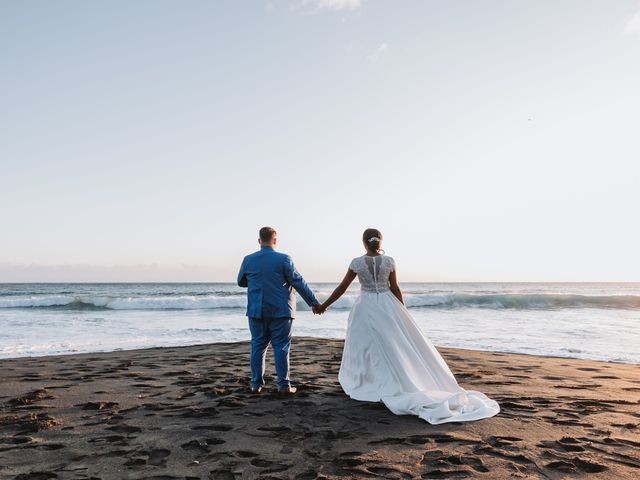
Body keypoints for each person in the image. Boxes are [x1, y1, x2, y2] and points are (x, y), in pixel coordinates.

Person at [315, 228, 500, 424]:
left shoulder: (357, 263)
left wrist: (324, 305)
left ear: (364, 242)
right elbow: (394, 288)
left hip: (366, 306)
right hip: (387, 304)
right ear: (380, 241)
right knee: (393, 344)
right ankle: (393, 379)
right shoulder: (389, 262)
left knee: (366, 345)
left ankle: (370, 380)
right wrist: (402, 311)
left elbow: (342, 287)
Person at [238, 226, 322, 395]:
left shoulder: (248, 259)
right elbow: (298, 282)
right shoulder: (284, 259)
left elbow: (241, 281)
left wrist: (257, 281)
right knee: (281, 347)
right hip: (281, 311)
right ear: (275, 240)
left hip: (256, 311)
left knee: (258, 347)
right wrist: (314, 303)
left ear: (259, 240)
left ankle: (256, 384)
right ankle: (283, 385)